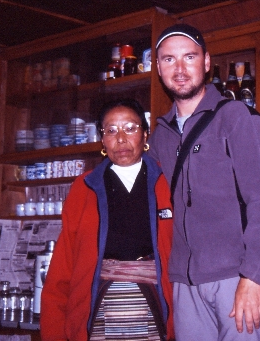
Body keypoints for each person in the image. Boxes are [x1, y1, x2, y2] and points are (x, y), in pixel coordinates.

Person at [148, 24, 260, 340]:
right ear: (158, 68)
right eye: (169, 60)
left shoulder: (237, 117)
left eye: (190, 57)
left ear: (207, 62)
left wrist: (254, 277)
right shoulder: (160, 137)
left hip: (239, 277)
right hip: (185, 284)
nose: (181, 69)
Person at [41, 98, 174, 341]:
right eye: (111, 130)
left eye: (131, 128)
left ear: (145, 135)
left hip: (156, 307)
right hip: (98, 308)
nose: (121, 138)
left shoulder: (167, 182)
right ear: (102, 140)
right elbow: (64, 264)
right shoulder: (84, 187)